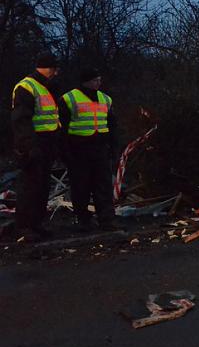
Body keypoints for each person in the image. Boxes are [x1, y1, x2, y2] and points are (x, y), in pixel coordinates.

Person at [59, 67, 119, 231]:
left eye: (99, 80)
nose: (99, 83)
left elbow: (112, 125)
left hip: (100, 148)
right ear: (87, 81)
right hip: (78, 148)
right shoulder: (69, 98)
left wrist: (114, 147)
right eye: (96, 80)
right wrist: (65, 151)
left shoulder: (105, 99)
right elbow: (62, 128)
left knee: (103, 186)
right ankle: (84, 220)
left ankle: (107, 219)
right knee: (81, 187)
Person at [10, 51, 62, 239]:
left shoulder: (46, 86)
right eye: (54, 70)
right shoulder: (27, 87)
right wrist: (29, 146)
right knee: (30, 186)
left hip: (47, 143)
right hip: (33, 144)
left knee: (42, 186)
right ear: (48, 68)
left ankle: (37, 223)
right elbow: (21, 120)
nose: (56, 73)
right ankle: (25, 226)